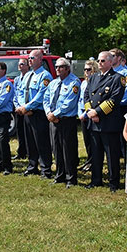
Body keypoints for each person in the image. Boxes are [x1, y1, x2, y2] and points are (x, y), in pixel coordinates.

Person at [85, 51, 125, 191]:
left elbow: (114, 100)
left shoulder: (118, 78)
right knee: (96, 154)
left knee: (111, 156)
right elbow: (87, 95)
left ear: (110, 62)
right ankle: (96, 180)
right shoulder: (93, 77)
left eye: (102, 61)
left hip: (108, 123)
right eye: (98, 60)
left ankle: (114, 183)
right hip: (94, 122)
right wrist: (90, 112)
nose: (100, 63)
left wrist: (97, 112)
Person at [44, 57, 81, 188]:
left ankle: (71, 178)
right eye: (57, 67)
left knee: (68, 150)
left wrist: (55, 114)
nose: (58, 69)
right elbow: (46, 98)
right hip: (53, 120)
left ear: (67, 68)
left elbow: (69, 103)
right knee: (56, 149)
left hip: (66, 120)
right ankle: (59, 175)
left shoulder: (74, 83)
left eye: (61, 67)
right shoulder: (53, 83)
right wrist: (49, 113)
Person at [17, 49, 54, 178]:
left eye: (32, 58)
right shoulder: (27, 75)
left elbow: (41, 95)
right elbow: (21, 91)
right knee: (30, 141)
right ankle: (32, 166)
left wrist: (27, 106)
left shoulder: (45, 76)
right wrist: (22, 106)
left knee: (41, 142)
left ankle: (46, 169)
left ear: (40, 59)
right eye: (29, 58)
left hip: (38, 113)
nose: (30, 61)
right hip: (27, 112)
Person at [78, 60, 99, 172]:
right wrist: (79, 114)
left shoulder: (96, 82)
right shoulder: (83, 83)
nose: (86, 72)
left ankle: (93, 162)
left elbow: (92, 101)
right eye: (85, 69)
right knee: (86, 141)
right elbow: (81, 100)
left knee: (93, 141)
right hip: (82, 115)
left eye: (88, 69)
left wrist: (86, 114)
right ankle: (89, 160)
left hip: (90, 114)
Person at [12, 57, 30, 161]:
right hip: (18, 109)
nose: (20, 66)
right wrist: (17, 106)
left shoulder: (30, 77)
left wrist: (24, 107)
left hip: (27, 108)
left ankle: (29, 151)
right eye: (19, 64)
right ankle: (21, 152)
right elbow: (15, 94)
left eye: (22, 64)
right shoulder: (17, 79)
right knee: (19, 131)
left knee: (28, 132)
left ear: (28, 66)